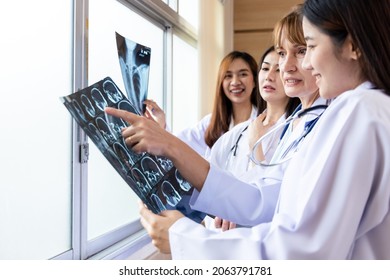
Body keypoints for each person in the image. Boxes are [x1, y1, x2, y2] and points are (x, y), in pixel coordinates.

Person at [108, 0, 390, 259]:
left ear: (353, 46)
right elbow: (266, 201)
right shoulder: (360, 111)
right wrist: (168, 144)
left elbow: (302, 249)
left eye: (309, 48)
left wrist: (185, 239)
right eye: (280, 55)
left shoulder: (359, 111)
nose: (300, 64)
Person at [144, 51, 260, 158]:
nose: (235, 82)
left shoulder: (262, 123)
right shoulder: (211, 124)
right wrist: (162, 123)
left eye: (243, 74)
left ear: (255, 80)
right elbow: (177, 145)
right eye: (228, 76)